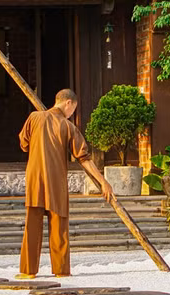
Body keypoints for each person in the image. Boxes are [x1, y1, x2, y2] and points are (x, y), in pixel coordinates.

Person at [16, 89, 113, 279]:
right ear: (68, 103)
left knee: (32, 227)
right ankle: (61, 271)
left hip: (35, 180)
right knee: (59, 228)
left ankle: (28, 271)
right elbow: (84, 158)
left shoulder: (34, 117)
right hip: (56, 184)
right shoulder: (68, 127)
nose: (72, 114)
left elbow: (23, 144)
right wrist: (103, 182)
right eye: (73, 110)